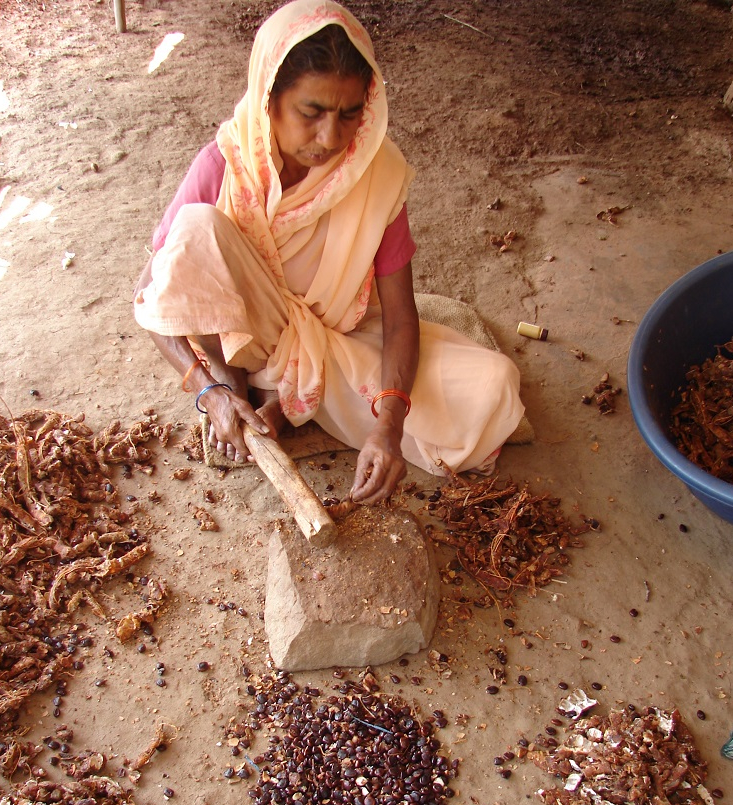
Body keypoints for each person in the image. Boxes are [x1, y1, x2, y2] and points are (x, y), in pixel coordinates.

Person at [134, 0, 524, 504]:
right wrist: (209, 394)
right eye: (311, 113)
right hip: (240, 338)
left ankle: (280, 398)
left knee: (493, 386)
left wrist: (387, 426)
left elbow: (402, 319)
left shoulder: (374, 172)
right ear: (269, 98)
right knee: (198, 226)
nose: (330, 137)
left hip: (331, 338)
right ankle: (245, 388)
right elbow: (149, 296)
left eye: (350, 113)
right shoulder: (223, 164)